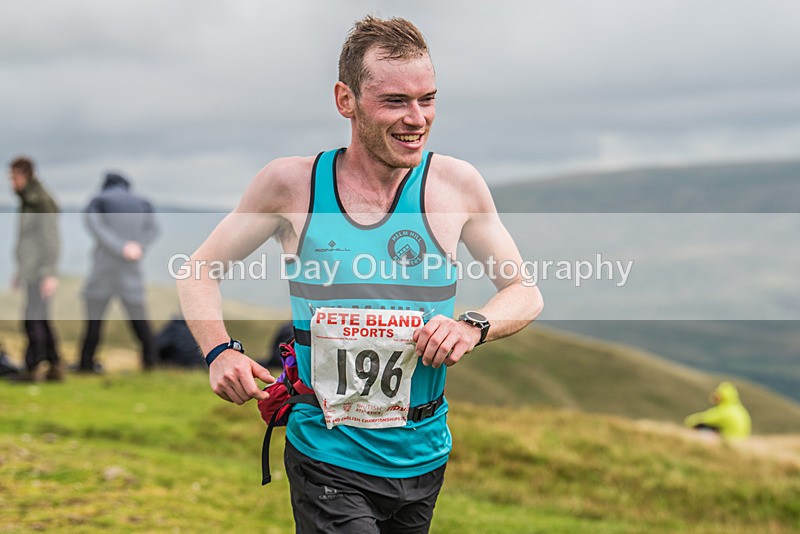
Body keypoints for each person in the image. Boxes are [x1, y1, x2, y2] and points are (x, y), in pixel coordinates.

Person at [177, 16, 543, 533]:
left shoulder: (456, 186)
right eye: (395, 101)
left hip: (423, 455)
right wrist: (219, 351)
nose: (417, 118)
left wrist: (471, 326)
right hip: (327, 454)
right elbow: (198, 270)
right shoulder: (292, 185)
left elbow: (524, 290)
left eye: (427, 99)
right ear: (345, 100)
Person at [77, 172, 159, 373]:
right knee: (139, 320)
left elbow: (96, 227)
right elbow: (153, 229)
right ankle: (151, 362)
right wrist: (138, 246)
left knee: (94, 321)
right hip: (131, 270)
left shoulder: (98, 200)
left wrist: (120, 247)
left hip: (103, 269)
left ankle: (86, 363)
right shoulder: (142, 202)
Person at [8, 156, 63, 382]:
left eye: (14, 177)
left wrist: (49, 273)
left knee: (32, 320)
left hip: (40, 272)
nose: (12, 182)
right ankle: (55, 366)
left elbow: (50, 238)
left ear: (26, 175)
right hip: (31, 270)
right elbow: (28, 241)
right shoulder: (28, 200)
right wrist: (20, 271)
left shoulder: (40, 201)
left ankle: (34, 368)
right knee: (41, 318)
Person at [684, 381, 752, 441]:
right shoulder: (740, 409)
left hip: (729, 442)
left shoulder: (724, 411)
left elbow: (700, 420)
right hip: (742, 442)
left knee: (702, 428)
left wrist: (691, 421)